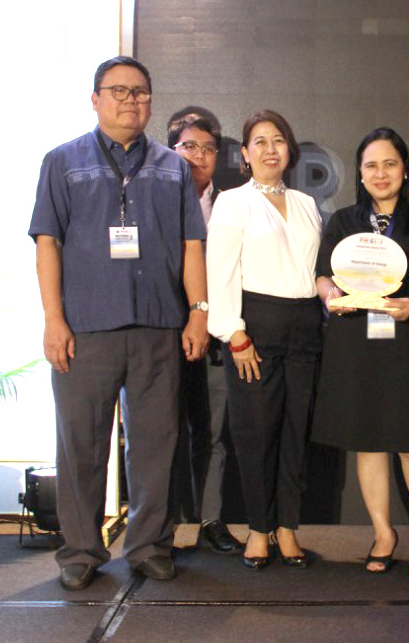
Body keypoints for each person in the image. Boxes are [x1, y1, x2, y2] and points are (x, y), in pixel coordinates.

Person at [29, 56, 209, 590]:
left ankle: (149, 545)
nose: (131, 101)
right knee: (81, 444)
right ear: (95, 99)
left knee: (157, 443)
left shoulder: (173, 167)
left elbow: (191, 244)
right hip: (85, 327)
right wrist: (53, 320)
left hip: (158, 325)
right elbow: (47, 243)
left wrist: (198, 313)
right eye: (119, 91)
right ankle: (81, 551)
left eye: (140, 93)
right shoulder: (62, 162)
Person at [312, 127, 409, 577]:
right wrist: (328, 294)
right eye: (371, 165)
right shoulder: (342, 222)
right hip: (355, 342)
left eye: (390, 164)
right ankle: (382, 533)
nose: (381, 173)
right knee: (368, 445)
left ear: (404, 171)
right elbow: (322, 275)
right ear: (359, 173)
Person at [206, 110, 322, 569]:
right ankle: (258, 529)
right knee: (256, 432)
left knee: (296, 432)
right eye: (259, 141)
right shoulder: (233, 202)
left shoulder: (307, 204)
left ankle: (288, 528)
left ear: (289, 150)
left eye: (278, 140)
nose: (270, 148)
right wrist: (234, 333)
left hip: (306, 327)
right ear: (246, 155)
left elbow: (317, 273)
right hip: (253, 327)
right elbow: (221, 272)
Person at [168, 113, 239, 554]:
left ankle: (212, 519)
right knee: (164, 431)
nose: (199, 157)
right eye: (189, 147)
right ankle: (168, 524)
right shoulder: (154, 199)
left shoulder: (231, 206)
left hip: (216, 337)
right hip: (161, 336)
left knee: (213, 433)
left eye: (208, 149)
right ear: (171, 151)